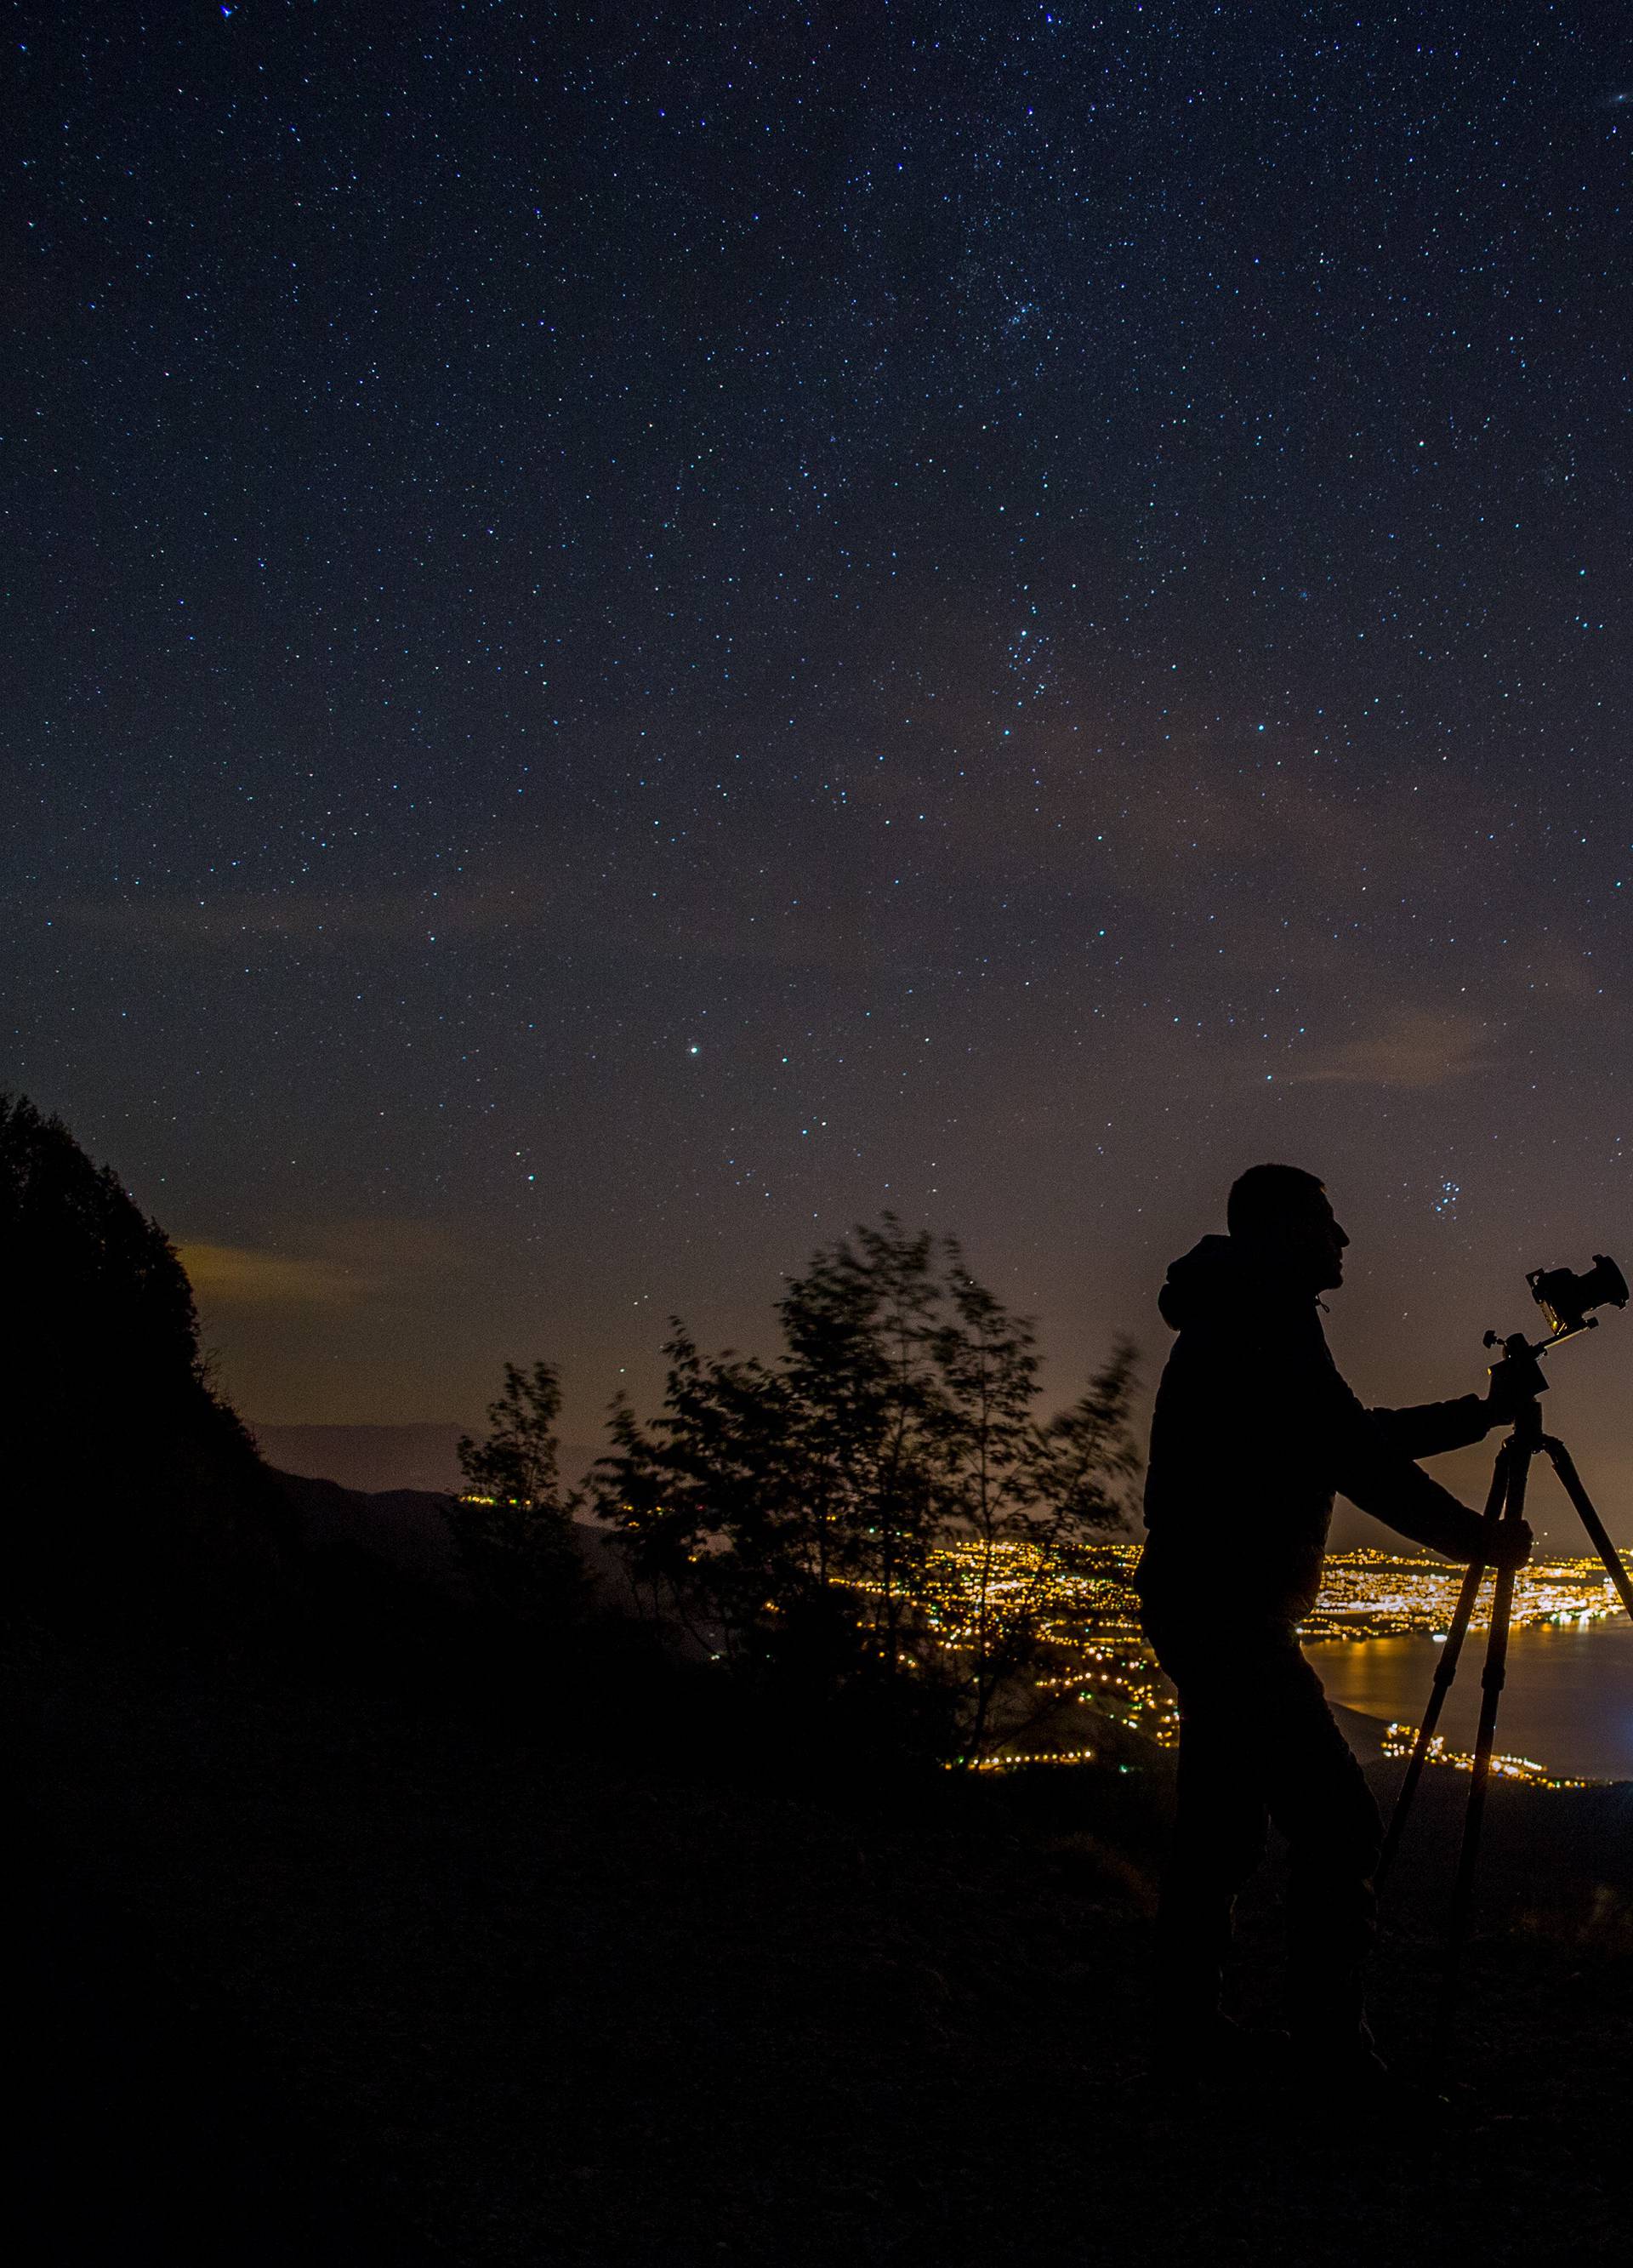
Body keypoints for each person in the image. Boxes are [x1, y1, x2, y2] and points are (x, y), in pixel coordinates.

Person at [1135, 1162, 1532, 2085]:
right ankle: (1329, 2058)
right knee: (1342, 1826)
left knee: (1222, 1826)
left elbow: (1346, 1430)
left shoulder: (1243, 1308)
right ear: (1279, 1230)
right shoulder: (1261, 1316)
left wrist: (1479, 1417)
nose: (1344, 1239)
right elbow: (1359, 1456)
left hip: (1204, 1601)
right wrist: (1478, 1540)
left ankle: (1186, 2033)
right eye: (1325, 1222)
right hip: (1230, 1612)